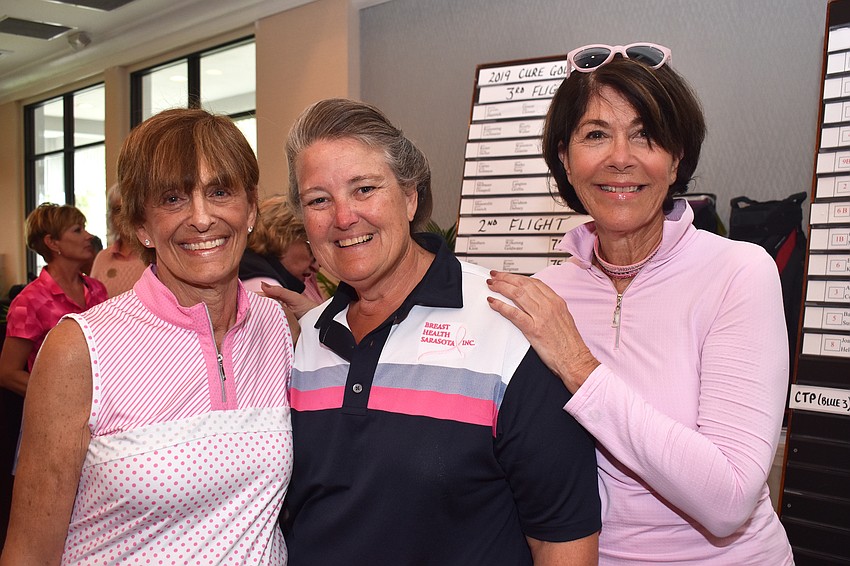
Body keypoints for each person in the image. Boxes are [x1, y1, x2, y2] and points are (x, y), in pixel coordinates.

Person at [486, 43, 794, 564]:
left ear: (675, 160)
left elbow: (729, 500)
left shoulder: (739, 272)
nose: (621, 158)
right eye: (596, 134)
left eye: (646, 136)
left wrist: (578, 364)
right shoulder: (545, 293)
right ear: (565, 158)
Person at [277, 98, 600, 565]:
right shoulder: (307, 339)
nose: (343, 217)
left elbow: (563, 539)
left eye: (365, 189)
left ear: (410, 197)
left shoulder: (505, 326)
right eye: (319, 200)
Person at [0, 108, 294, 565]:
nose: (201, 218)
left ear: (251, 207)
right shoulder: (80, 350)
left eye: (220, 191)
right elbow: (29, 552)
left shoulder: (275, 329)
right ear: (141, 225)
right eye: (173, 199)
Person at [0, 203, 108, 397]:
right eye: (77, 230)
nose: (88, 236)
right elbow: (8, 373)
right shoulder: (29, 301)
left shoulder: (97, 290)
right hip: (56, 413)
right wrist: (61, 395)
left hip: (103, 406)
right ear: (52, 242)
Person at [239, 194, 323, 303]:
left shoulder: (247, 267)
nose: (316, 267)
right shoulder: (264, 288)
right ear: (283, 236)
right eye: (311, 250)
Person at [90, 183, 147, 297]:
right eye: (117, 209)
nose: (123, 215)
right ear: (110, 217)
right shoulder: (102, 258)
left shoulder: (155, 255)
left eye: (128, 208)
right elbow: (93, 303)